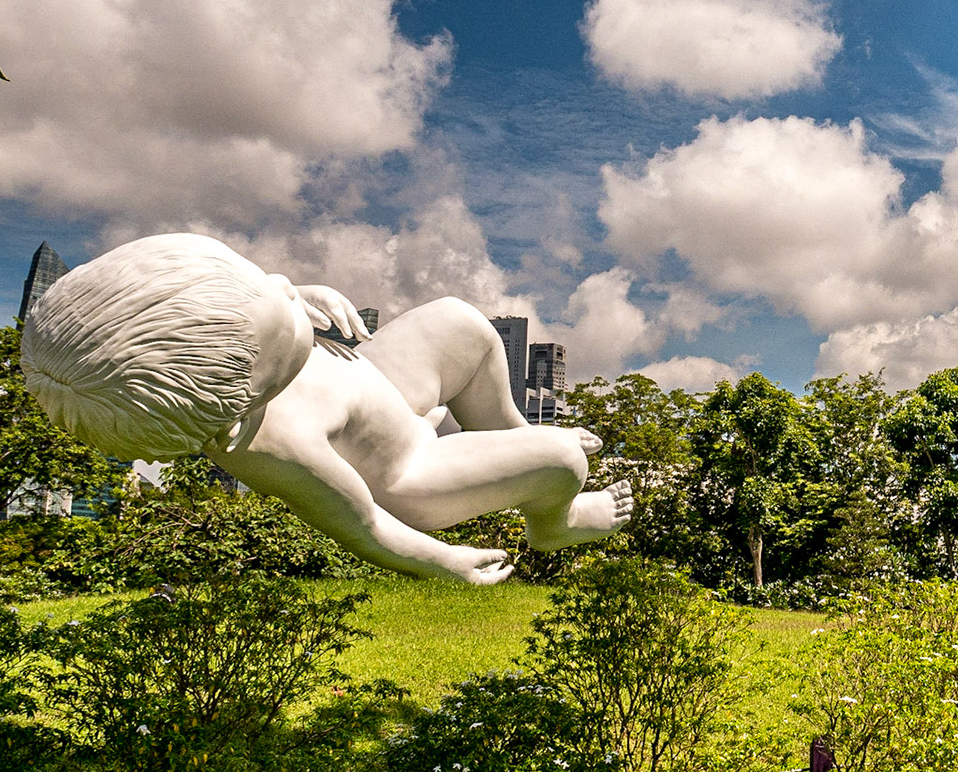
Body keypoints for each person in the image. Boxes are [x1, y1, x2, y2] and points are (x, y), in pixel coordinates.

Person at [22, 233, 631, 583]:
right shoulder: (270, 443)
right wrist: (444, 562)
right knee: (563, 458)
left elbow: (273, 303)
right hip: (410, 472)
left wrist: (293, 299)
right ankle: (556, 520)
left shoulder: (248, 337)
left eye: (268, 286)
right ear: (238, 408)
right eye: (286, 310)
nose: (288, 287)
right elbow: (362, 523)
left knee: (462, 324)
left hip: (379, 386)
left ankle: (508, 440)